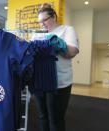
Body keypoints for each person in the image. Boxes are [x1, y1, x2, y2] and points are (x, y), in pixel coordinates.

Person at [31, 3, 79, 131]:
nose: (42, 24)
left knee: (55, 119)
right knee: (43, 116)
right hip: (40, 81)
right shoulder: (38, 33)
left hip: (60, 83)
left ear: (53, 17)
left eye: (44, 20)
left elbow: (72, 52)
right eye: (40, 22)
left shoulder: (67, 30)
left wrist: (57, 44)